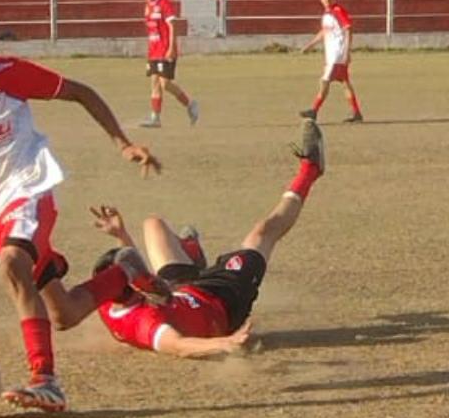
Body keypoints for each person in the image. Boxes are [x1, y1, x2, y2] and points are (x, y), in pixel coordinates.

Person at [0, 6, 162, 412]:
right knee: (63, 314)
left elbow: (82, 92)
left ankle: (45, 379)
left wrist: (123, 144)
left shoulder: (6, 73)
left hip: (31, 189)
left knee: (12, 263)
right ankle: (124, 273)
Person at [88, 118, 326, 358]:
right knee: (262, 233)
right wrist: (225, 343)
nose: (148, 273)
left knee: (153, 225)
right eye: (142, 275)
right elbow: (180, 345)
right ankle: (310, 170)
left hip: (182, 292)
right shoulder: (148, 324)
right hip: (220, 303)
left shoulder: (109, 298)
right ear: (133, 287)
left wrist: (121, 234)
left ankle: (192, 255)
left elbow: (130, 272)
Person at [139, 0, 199, 128]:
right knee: (154, 82)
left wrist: (172, 47)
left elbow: (172, 26)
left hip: (165, 50)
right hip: (153, 51)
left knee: (164, 84)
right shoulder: (147, 7)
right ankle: (155, 118)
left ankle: (190, 104)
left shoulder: (164, 3)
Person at [299, 0, 363, 123]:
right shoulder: (327, 14)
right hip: (333, 55)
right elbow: (324, 32)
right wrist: (309, 45)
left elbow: (348, 29)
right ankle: (356, 112)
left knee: (324, 81)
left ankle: (314, 111)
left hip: (337, 55)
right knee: (345, 82)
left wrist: (346, 52)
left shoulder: (337, 11)